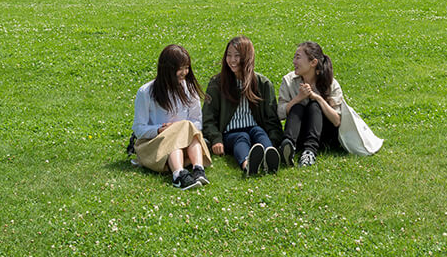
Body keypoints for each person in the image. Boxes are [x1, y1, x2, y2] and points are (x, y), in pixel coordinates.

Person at [132, 44, 211, 190]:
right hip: (155, 145)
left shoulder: (189, 89)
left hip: (186, 143)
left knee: (187, 127)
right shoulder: (146, 92)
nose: (184, 73)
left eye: (186, 68)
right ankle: (178, 174)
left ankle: (197, 170)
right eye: (180, 69)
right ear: (167, 69)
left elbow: (197, 122)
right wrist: (160, 130)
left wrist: (178, 129)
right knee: (179, 131)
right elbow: (138, 129)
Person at [202, 36, 283, 176]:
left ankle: (270, 156)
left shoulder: (262, 83)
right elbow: (208, 116)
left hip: (254, 127)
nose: (232, 60)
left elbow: (272, 118)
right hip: (230, 132)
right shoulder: (217, 83)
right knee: (242, 137)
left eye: (237, 56)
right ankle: (247, 165)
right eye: (229, 55)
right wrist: (216, 139)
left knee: (259, 132)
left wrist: (275, 140)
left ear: (247, 57)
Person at [277, 41, 343, 167]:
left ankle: (310, 152)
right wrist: (298, 98)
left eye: (298, 57)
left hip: (323, 136)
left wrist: (317, 98)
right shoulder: (288, 81)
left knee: (314, 106)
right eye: (294, 57)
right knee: (297, 107)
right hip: (300, 133)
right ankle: (287, 146)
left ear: (313, 63)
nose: (294, 62)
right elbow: (279, 113)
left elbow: (336, 121)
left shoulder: (331, 84)